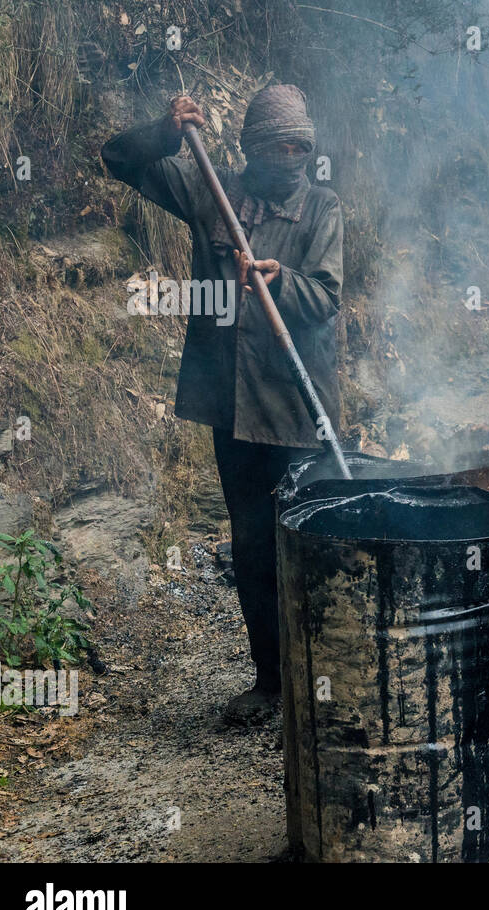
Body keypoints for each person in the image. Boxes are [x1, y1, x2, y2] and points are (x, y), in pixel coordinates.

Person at [103, 85, 343, 724]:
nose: (289, 157)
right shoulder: (213, 191)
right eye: (277, 147)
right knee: (252, 542)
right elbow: (119, 159)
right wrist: (165, 129)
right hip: (233, 406)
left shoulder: (323, 208)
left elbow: (325, 298)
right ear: (250, 149)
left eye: (299, 147)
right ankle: (270, 680)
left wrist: (278, 281)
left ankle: (326, 677)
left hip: (296, 403)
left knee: (312, 544)